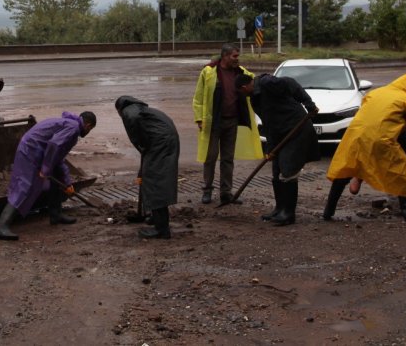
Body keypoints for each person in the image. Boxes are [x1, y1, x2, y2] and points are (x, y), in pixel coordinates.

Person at [323, 72, 406, 221]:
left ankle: (328, 211)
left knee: (344, 171)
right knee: (402, 170)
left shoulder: (376, 92)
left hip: (354, 136)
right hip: (380, 139)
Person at [0, 111, 98, 241]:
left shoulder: (71, 126)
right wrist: (45, 168)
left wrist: (67, 183)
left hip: (38, 150)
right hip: (30, 150)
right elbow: (54, 144)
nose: (88, 132)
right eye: (90, 129)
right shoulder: (73, 128)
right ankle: (1, 227)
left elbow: (59, 159)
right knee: (24, 186)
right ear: (88, 125)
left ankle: (56, 214)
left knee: (56, 176)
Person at [237, 73, 319, 226]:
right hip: (281, 133)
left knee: (287, 170)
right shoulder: (255, 99)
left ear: (245, 87)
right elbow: (269, 124)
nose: (241, 95)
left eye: (240, 92)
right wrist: (270, 149)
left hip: (296, 129)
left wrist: (309, 104)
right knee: (276, 170)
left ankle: (288, 214)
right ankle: (279, 209)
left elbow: (291, 83)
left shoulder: (267, 83)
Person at [192, 44, 263, 205]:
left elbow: (255, 81)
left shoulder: (241, 72)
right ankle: (207, 190)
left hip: (232, 121)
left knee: (227, 158)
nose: (237, 59)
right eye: (234, 56)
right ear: (224, 56)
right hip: (213, 122)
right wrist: (199, 119)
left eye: (238, 56)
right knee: (210, 157)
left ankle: (226, 192)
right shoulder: (209, 72)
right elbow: (198, 98)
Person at [115, 96, 180, 239]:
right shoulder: (142, 110)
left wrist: (142, 142)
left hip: (161, 142)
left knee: (154, 181)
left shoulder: (129, 110)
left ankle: (162, 229)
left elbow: (132, 119)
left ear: (119, 109)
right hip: (165, 139)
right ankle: (156, 218)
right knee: (156, 178)